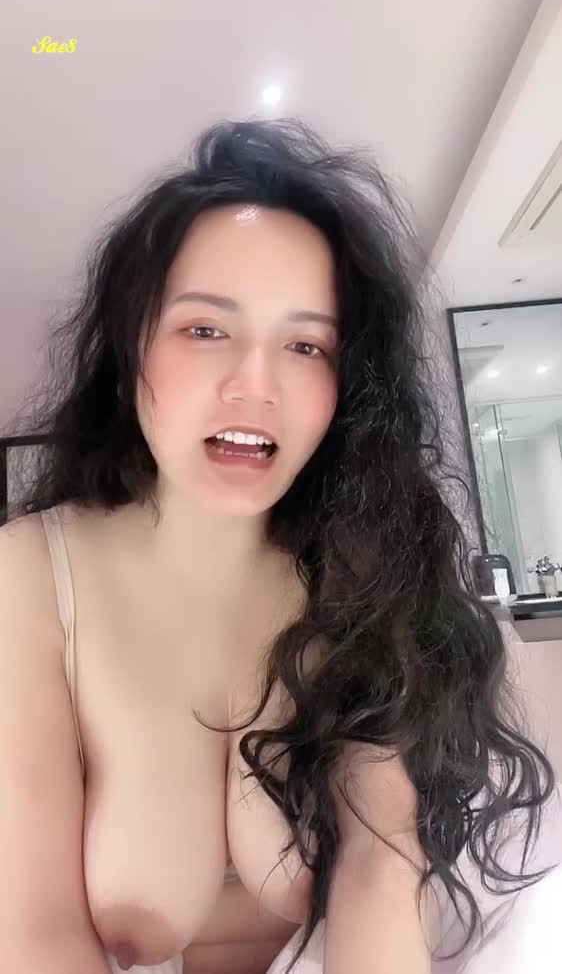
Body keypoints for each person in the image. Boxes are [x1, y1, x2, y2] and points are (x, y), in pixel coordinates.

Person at [1, 117, 560, 974]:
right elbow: (34, 931)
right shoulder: (31, 577)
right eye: (205, 329)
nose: (254, 385)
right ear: (130, 346)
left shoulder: (363, 571)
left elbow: (379, 869)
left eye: (305, 345)